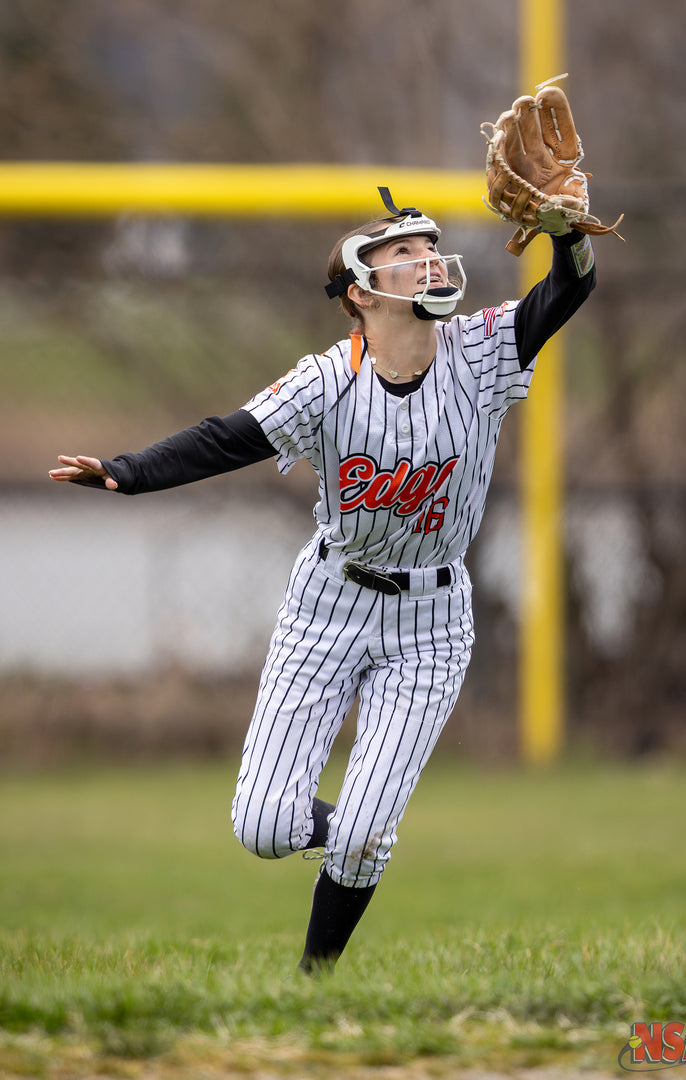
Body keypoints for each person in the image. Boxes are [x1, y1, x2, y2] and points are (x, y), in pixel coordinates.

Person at [50, 186, 596, 974]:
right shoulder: (325, 381)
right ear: (358, 292)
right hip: (327, 606)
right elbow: (223, 439)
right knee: (264, 826)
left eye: (427, 246)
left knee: (369, 831)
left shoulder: (480, 350)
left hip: (432, 620)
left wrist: (567, 233)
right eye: (401, 252)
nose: (425, 259)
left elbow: (567, 289)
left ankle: (317, 985)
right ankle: (356, 834)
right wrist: (126, 472)